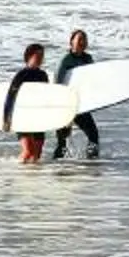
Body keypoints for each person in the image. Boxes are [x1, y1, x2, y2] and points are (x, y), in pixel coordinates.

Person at [49, 28, 103, 161]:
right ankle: (56, 168)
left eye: (84, 39)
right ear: (71, 42)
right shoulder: (66, 60)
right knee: (62, 140)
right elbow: (58, 82)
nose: (82, 42)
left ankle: (92, 162)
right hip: (66, 104)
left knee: (93, 134)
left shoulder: (88, 58)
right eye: (79, 39)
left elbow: (91, 80)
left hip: (81, 104)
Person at [4, 42, 53, 164]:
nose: (41, 59)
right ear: (29, 57)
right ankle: (19, 172)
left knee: (37, 155)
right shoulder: (22, 75)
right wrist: (7, 119)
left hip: (37, 117)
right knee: (28, 152)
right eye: (38, 56)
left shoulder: (43, 75)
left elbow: (46, 98)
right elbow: (10, 97)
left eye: (42, 56)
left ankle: (31, 177)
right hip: (22, 116)